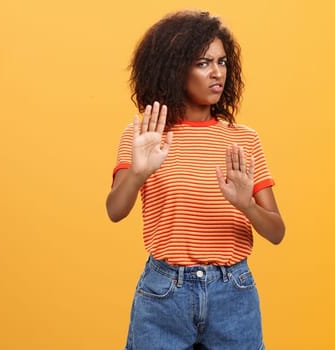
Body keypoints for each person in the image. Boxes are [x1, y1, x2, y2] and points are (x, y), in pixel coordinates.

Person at [106, 10, 286, 350]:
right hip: (164, 293)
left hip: (233, 291)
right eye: (203, 63)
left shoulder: (245, 140)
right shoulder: (144, 135)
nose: (217, 73)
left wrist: (246, 204)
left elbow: (276, 232)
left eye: (222, 62)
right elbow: (115, 210)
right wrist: (139, 173)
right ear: (175, 70)